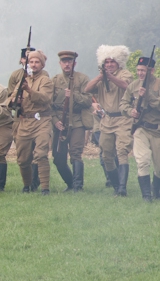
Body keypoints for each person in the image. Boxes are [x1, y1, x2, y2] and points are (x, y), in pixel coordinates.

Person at [84, 45, 133, 196]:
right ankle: (116, 186)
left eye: (112, 62)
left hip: (123, 118)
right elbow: (87, 89)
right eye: (107, 62)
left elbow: (126, 86)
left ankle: (122, 188)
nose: (110, 65)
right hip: (107, 119)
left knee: (122, 151)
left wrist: (110, 77)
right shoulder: (101, 77)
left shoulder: (125, 74)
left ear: (119, 62)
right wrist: (100, 76)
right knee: (106, 154)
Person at [11, 50, 54, 195]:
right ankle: (27, 185)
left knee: (41, 154)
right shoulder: (23, 80)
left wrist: (29, 90)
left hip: (42, 120)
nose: (34, 65)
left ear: (42, 64)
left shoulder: (46, 81)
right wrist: (15, 101)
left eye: (37, 62)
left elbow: (45, 99)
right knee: (22, 159)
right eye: (31, 62)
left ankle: (45, 188)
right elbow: (11, 100)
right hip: (25, 121)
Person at [50, 51, 92, 192]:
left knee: (75, 153)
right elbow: (50, 104)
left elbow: (87, 101)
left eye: (69, 61)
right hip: (60, 121)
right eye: (64, 61)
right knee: (58, 157)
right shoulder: (55, 80)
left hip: (77, 121)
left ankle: (78, 187)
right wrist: (55, 120)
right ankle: (71, 183)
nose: (67, 64)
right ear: (60, 63)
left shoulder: (83, 79)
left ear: (74, 63)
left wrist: (73, 94)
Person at [120, 55, 160, 202]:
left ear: (152, 70)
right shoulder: (134, 86)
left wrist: (148, 96)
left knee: (159, 167)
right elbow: (123, 104)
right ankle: (146, 197)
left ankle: (156, 192)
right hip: (140, 128)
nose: (141, 73)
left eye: (144, 70)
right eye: (139, 70)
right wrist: (130, 111)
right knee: (142, 161)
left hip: (157, 130)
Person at [9, 46, 39, 191]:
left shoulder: (41, 75)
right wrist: (16, 101)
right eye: (26, 58)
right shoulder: (16, 75)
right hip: (20, 117)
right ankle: (27, 182)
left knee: (36, 150)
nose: (29, 62)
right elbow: (10, 97)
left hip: (36, 118)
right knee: (23, 151)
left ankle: (35, 180)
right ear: (21, 60)